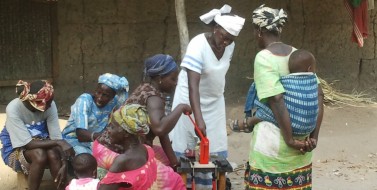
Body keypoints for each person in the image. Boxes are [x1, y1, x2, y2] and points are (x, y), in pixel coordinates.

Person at [244, 5, 324, 189]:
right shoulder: (297, 53)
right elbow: (318, 94)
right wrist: (313, 138)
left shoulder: (263, 58)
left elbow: (276, 99)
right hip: (303, 147)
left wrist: (290, 140)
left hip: (274, 148)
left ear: (259, 31)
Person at [168, 4, 245, 189]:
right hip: (189, 101)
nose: (226, 42)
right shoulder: (198, 44)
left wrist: (204, 118)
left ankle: (209, 185)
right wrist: (199, 119)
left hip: (215, 101)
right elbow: (193, 86)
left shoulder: (230, 46)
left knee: (215, 147)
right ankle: (184, 184)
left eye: (231, 39)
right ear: (215, 28)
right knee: (186, 146)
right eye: (224, 37)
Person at [96, 54, 191, 170]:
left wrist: (174, 162)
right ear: (160, 78)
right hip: (114, 151)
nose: (175, 83)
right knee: (166, 178)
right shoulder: (153, 97)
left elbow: (162, 132)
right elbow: (160, 128)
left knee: (167, 160)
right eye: (173, 79)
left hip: (104, 147)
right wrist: (180, 107)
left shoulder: (145, 88)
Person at [0, 80, 75, 190]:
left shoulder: (49, 103)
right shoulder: (14, 108)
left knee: (53, 154)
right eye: (48, 103)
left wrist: (64, 163)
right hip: (16, 151)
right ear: (36, 102)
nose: (50, 106)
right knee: (39, 154)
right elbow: (28, 144)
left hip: (45, 144)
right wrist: (59, 142)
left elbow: (56, 137)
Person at [96, 104, 185, 190]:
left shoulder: (123, 161)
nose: (108, 131)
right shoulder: (146, 148)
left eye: (112, 127)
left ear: (126, 133)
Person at [230, 49, 318, 134]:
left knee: (268, 105)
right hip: (309, 127)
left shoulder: (284, 81)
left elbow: (276, 98)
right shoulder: (313, 81)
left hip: (291, 124)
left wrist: (289, 140)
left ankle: (249, 121)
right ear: (309, 69)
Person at [62, 73, 129, 155]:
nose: (100, 97)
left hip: (96, 142)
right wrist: (107, 138)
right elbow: (81, 134)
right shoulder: (85, 100)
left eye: (105, 95)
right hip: (73, 141)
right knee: (88, 160)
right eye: (98, 92)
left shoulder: (114, 102)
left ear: (112, 97)